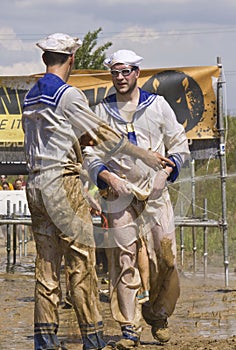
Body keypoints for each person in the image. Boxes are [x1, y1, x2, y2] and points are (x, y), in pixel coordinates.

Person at [22, 34, 171, 350]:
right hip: (61, 185)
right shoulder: (69, 95)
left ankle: (45, 341)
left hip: (34, 185)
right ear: (72, 59)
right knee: (81, 264)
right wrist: (143, 155)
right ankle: (92, 338)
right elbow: (104, 135)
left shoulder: (30, 95)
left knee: (46, 268)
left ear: (44, 58)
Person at [84, 49, 190, 349]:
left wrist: (166, 173)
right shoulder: (101, 113)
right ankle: (129, 326)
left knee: (165, 257)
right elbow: (89, 153)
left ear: (136, 73)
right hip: (119, 195)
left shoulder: (157, 106)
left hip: (155, 193)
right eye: (115, 72)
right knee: (122, 259)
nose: (120, 77)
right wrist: (108, 178)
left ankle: (157, 314)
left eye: (126, 71)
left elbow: (179, 145)